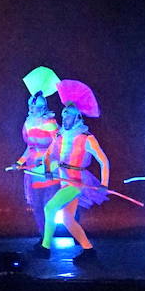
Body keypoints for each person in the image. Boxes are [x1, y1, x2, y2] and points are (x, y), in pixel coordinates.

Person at [32, 79, 109, 263]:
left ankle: (45, 248)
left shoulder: (86, 138)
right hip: (65, 179)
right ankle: (89, 251)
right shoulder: (61, 135)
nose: (64, 117)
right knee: (67, 218)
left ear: (77, 117)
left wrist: (104, 184)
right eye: (63, 114)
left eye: (68, 115)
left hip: (78, 181)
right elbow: (49, 154)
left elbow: (104, 161)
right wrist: (49, 169)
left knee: (50, 207)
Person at [12, 67, 61, 240]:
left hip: (50, 168)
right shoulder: (27, 124)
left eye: (37, 107)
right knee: (37, 206)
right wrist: (19, 162)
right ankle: (43, 236)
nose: (33, 109)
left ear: (42, 107)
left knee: (49, 204)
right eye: (31, 106)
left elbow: (58, 147)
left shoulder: (50, 124)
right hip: (33, 169)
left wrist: (48, 166)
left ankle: (49, 236)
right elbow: (30, 148)